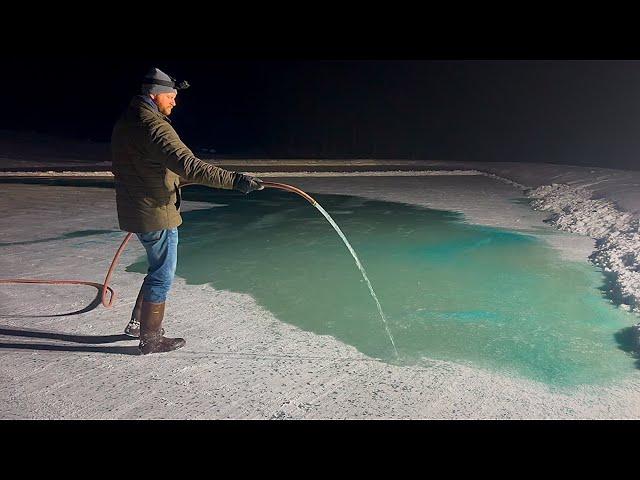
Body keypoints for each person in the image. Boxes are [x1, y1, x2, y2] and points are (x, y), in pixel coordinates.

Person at [111, 67, 263, 355]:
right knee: (163, 274)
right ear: (155, 96)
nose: (174, 102)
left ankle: (136, 324)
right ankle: (150, 338)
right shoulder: (153, 126)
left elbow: (151, 167)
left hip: (139, 207)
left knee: (157, 268)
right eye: (171, 96)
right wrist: (234, 180)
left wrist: (176, 179)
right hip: (155, 212)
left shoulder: (129, 121)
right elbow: (188, 165)